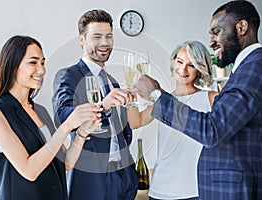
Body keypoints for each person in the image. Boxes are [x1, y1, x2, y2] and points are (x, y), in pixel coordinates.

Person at [135, 1, 262, 199]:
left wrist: (155, 94)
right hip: (175, 189)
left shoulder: (254, 67)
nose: (211, 41)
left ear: (242, 27)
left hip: (226, 190)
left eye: (216, 31)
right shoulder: (247, 68)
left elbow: (213, 129)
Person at [0, 35, 102, 200]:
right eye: (33, 62)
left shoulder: (40, 110)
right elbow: (29, 170)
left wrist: (82, 132)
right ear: (13, 66)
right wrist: (67, 126)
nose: (41, 70)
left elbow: (65, 163)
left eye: (42, 63)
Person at [52, 9, 138, 200]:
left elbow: (121, 128)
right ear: (81, 40)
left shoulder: (113, 81)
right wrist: (103, 105)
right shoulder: (69, 76)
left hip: (122, 177)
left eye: (109, 36)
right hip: (91, 178)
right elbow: (62, 116)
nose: (104, 42)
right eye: (96, 36)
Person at [128, 40, 218, 200]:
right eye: (180, 61)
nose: (183, 69)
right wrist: (131, 98)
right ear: (173, 62)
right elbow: (136, 122)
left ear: (199, 69)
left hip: (194, 190)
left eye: (191, 65)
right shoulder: (163, 101)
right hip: (159, 191)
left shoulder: (211, 98)